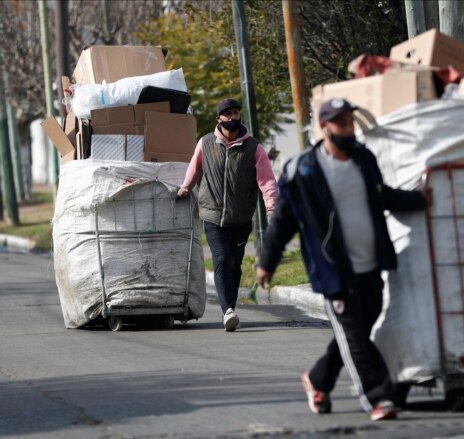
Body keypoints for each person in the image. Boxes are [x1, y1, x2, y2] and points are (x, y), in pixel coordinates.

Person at [255, 98, 426, 421]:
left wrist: (419, 199)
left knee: (362, 326)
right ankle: (379, 398)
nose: (347, 128)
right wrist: (267, 261)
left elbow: (382, 194)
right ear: (324, 127)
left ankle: (319, 379)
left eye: (350, 122)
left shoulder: (363, 159)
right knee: (357, 339)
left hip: (371, 263)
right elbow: (283, 223)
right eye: (340, 123)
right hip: (333, 270)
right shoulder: (304, 170)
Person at [178, 98, 277, 332]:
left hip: (241, 218)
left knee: (235, 264)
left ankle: (230, 307)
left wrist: (272, 208)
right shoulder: (205, 143)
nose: (233, 118)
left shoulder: (254, 148)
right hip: (212, 217)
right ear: (218, 119)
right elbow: (194, 169)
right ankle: (227, 311)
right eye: (228, 114)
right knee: (221, 259)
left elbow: (267, 182)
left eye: (236, 113)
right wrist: (184, 189)